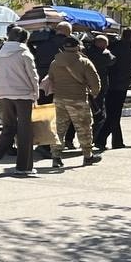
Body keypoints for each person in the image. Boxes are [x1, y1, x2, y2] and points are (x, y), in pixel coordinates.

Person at [0, 26, 40, 176]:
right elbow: (33, 75)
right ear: (24, 39)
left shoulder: (1, 52)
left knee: (9, 127)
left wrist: (0, 90)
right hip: (23, 95)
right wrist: (36, 93)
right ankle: (24, 167)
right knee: (25, 131)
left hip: (5, 94)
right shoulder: (24, 53)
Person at [46, 35, 103, 168]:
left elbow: (51, 79)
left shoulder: (54, 63)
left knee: (58, 129)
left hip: (59, 99)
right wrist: (94, 94)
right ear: (78, 46)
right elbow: (95, 83)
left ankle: (56, 157)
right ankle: (88, 156)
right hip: (78, 100)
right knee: (83, 128)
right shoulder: (84, 62)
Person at [98, 27, 131, 150]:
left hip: (109, 83)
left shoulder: (112, 46)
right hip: (122, 84)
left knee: (112, 113)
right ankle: (102, 139)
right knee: (114, 114)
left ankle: (115, 141)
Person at [85, 33, 115, 146]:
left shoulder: (88, 52)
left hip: (87, 86)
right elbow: (112, 60)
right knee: (99, 115)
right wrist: (108, 51)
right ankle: (94, 139)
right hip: (97, 87)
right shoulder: (103, 55)